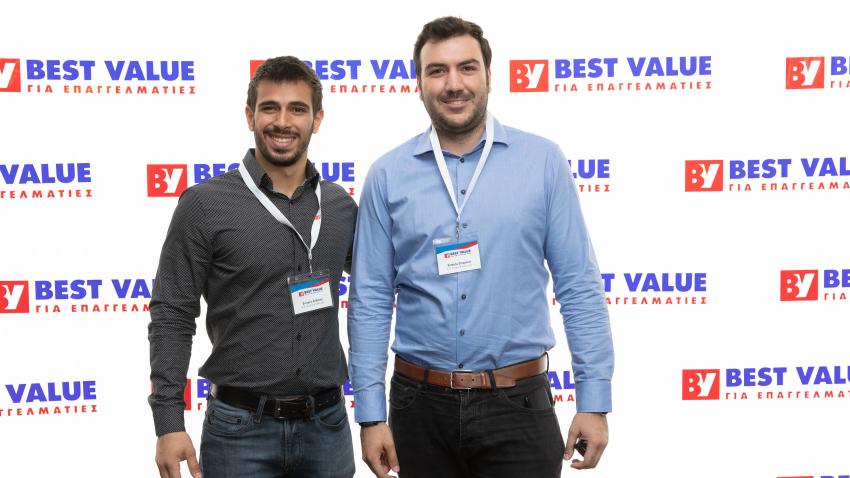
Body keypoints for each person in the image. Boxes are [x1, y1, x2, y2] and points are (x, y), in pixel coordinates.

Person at [348, 17, 614, 478]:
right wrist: (371, 415)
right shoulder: (387, 175)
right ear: (418, 83)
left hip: (519, 406)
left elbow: (578, 286)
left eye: (467, 68)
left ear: (489, 74)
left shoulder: (543, 162)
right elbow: (369, 299)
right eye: (437, 71)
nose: (454, 84)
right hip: (418, 408)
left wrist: (594, 401)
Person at [148, 56, 357, 478]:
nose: (282, 121)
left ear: (317, 119)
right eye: (269, 108)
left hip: (328, 428)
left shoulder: (340, 207)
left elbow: (384, 286)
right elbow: (172, 313)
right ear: (250, 116)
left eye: (297, 109)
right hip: (239, 431)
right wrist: (168, 423)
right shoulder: (205, 205)